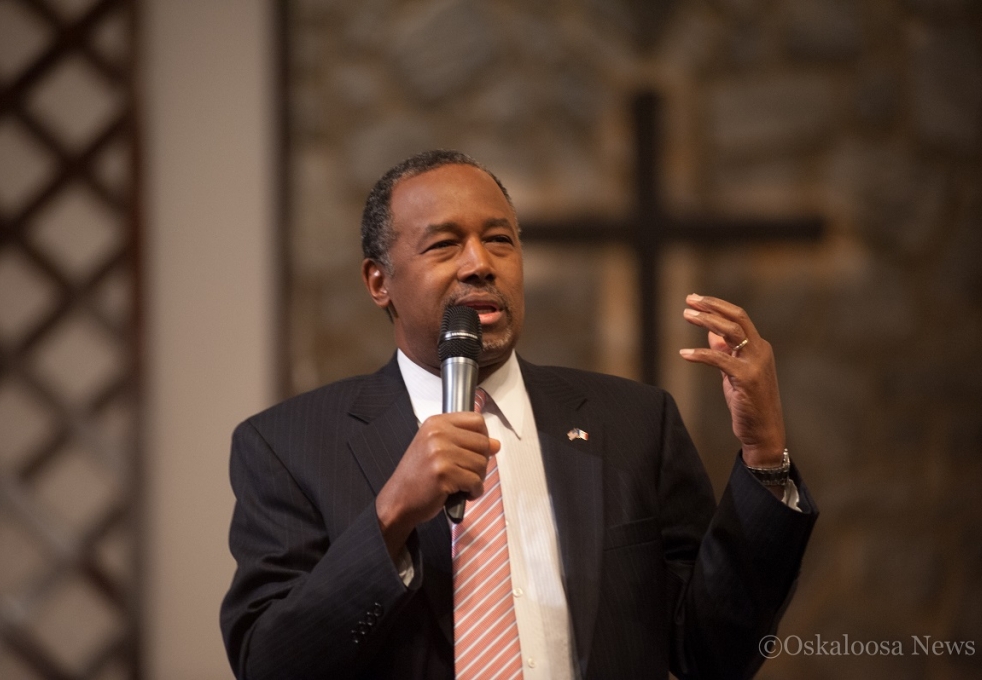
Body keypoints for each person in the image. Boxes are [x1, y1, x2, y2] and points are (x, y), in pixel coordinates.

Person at [220, 150, 817, 679]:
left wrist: (765, 457)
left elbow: (711, 652)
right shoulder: (287, 447)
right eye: (444, 244)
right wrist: (390, 516)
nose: (480, 263)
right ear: (380, 281)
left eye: (500, 240)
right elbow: (270, 662)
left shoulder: (634, 422)